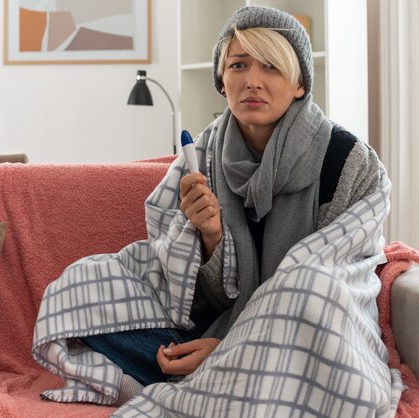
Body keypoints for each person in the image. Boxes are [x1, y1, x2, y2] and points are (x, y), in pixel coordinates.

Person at [33, 6, 398, 416]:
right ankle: (228, 375)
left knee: (309, 289)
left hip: (303, 331)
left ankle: (222, 372)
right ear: (221, 81)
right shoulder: (201, 157)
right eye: (238, 65)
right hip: (216, 328)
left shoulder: (349, 162)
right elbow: (182, 289)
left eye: (271, 67)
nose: (252, 81)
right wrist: (208, 236)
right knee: (82, 283)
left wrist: (231, 345)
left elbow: (330, 284)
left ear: (299, 83)